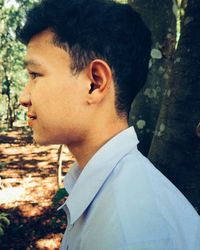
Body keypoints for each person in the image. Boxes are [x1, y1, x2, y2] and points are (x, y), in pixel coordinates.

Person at [18, 0, 200, 249]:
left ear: (94, 83)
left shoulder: (131, 231)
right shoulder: (111, 192)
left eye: (35, 75)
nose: (23, 98)